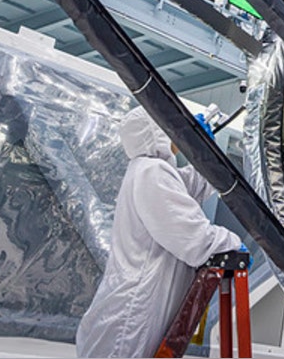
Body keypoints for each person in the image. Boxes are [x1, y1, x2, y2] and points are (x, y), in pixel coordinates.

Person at [76, 107, 242, 357]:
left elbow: (194, 187)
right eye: (172, 129)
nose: (177, 135)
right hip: (133, 314)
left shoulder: (148, 170)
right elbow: (191, 237)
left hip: (132, 304)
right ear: (156, 133)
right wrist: (232, 242)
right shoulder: (151, 172)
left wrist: (205, 152)